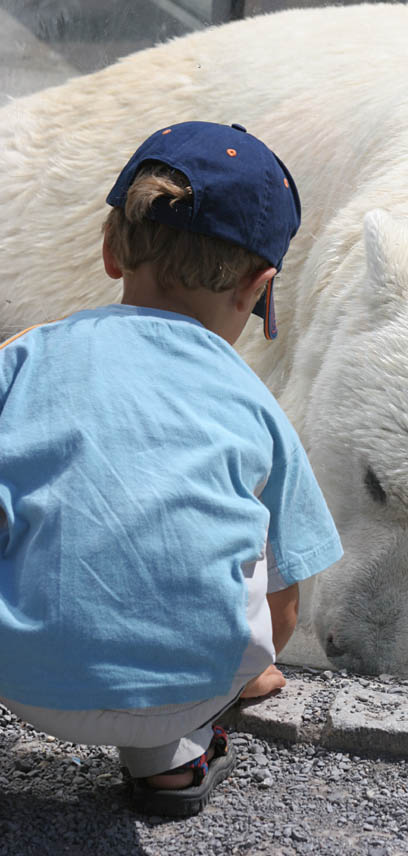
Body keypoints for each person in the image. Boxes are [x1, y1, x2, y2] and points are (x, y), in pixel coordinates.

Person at [0, 121, 343, 817]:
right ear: (258, 287)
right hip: (192, 686)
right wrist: (243, 674)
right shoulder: (256, 404)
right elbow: (288, 595)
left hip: (22, 680)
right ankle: (170, 764)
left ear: (109, 250)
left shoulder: (23, 357)